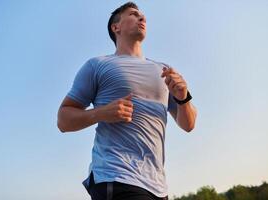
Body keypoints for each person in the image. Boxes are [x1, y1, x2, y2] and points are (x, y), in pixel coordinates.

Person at [57, 2, 197, 200]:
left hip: (158, 186)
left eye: (143, 16)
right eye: (133, 14)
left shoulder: (164, 70)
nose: (142, 18)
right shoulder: (97, 65)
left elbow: (189, 124)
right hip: (116, 175)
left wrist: (184, 98)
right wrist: (102, 113)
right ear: (116, 27)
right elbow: (63, 120)